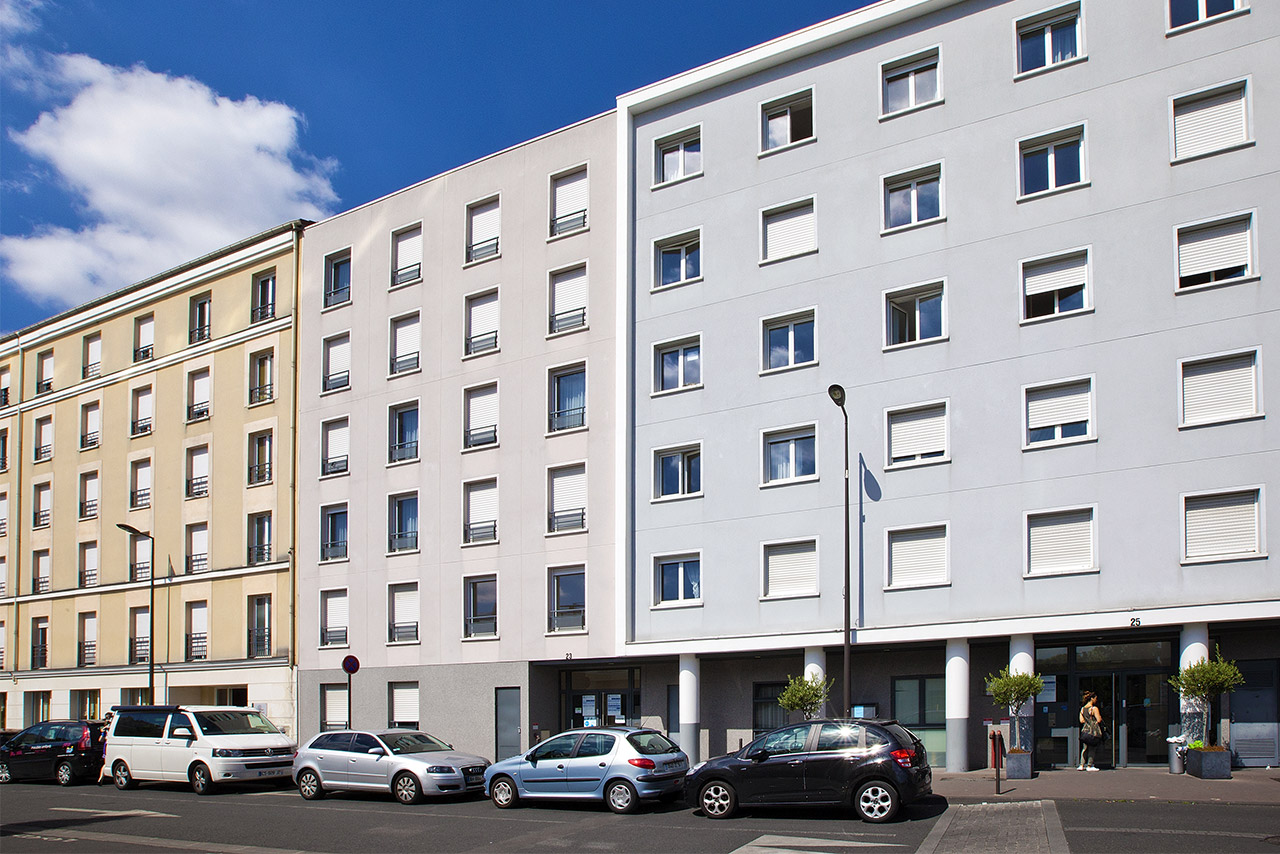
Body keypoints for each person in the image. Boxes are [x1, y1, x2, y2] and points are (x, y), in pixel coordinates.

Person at [1078, 691, 1102, 771]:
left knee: (1084, 748)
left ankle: (1081, 765)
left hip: (1085, 731)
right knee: (1092, 748)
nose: (1096, 700)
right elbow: (1098, 720)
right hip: (1093, 731)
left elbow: (1081, 721)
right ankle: (1089, 765)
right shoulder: (1094, 709)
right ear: (1092, 699)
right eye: (1095, 698)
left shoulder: (1082, 709)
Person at [96, 711, 114, 785]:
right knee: (106, 762)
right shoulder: (107, 727)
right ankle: (100, 779)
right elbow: (101, 739)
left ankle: (101, 779)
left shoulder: (110, 726)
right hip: (108, 744)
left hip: (110, 744)